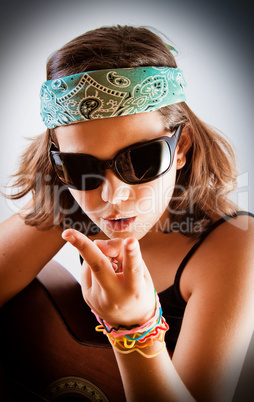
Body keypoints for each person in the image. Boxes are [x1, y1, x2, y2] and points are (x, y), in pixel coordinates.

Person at [0, 25, 253, 402]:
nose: (112, 194)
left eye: (142, 160)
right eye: (81, 166)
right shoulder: (69, 200)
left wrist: (134, 329)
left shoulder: (236, 245)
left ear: (181, 147)